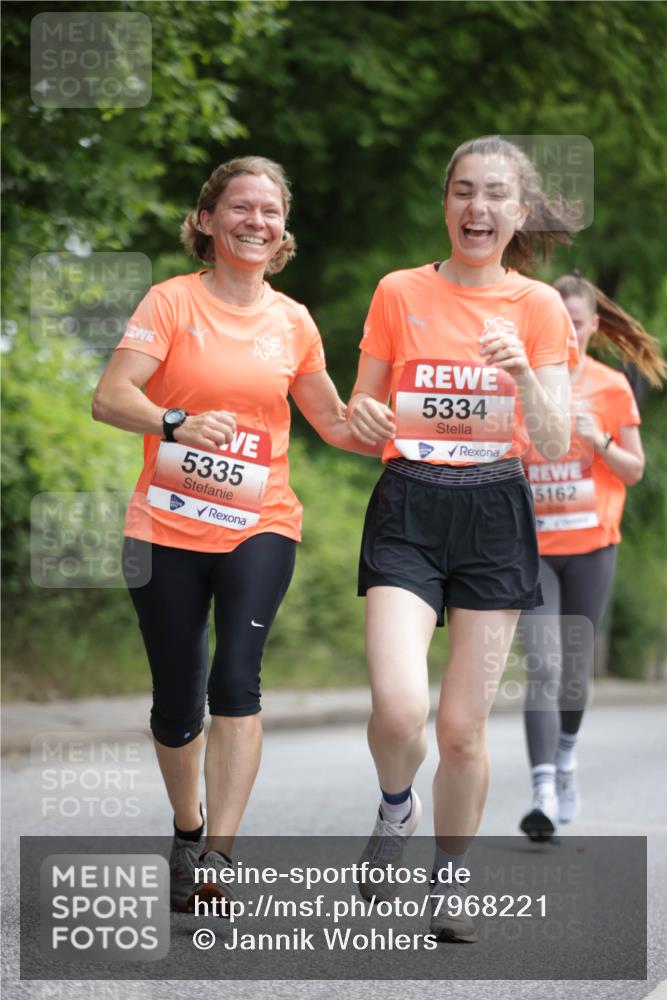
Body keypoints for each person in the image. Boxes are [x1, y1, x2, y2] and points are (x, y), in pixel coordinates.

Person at [92, 155, 378, 914]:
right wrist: (174, 420)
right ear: (209, 219)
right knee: (177, 701)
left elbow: (335, 423)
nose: (257, 222)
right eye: (241, 208)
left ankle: (218, 853)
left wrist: (398, 432)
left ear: (283, 229)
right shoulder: (171, 302)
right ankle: (187, 830)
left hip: (261, 520)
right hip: (165, 524)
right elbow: (111, 396)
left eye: (271, 211)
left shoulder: (293, 321)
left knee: (235, 681)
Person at [346, 135, 581, 943]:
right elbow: (357, 414)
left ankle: (446, 886)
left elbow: (551, 442)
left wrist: (521, 374)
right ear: (444, 201)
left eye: (493, 196)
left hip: (493, 513)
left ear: (518, 214)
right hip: (408, 505)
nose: (475, 209)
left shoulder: (539, 306)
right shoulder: (397, 291)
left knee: (461, 730)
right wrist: (364, 418)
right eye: (462, 192)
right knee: (399, 705)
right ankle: (394, 808)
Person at [518, 271, 665, 842]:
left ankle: (567, 756)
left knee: (574, 677)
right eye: (557, 322)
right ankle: (543, 794)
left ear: (593, 326)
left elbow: (635, 470)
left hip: (590, 548)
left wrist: (598, 439)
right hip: (531, 551)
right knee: (545, 667)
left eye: (575, 323)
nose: (567, 332)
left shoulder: (610, 386)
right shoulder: (521, 384)